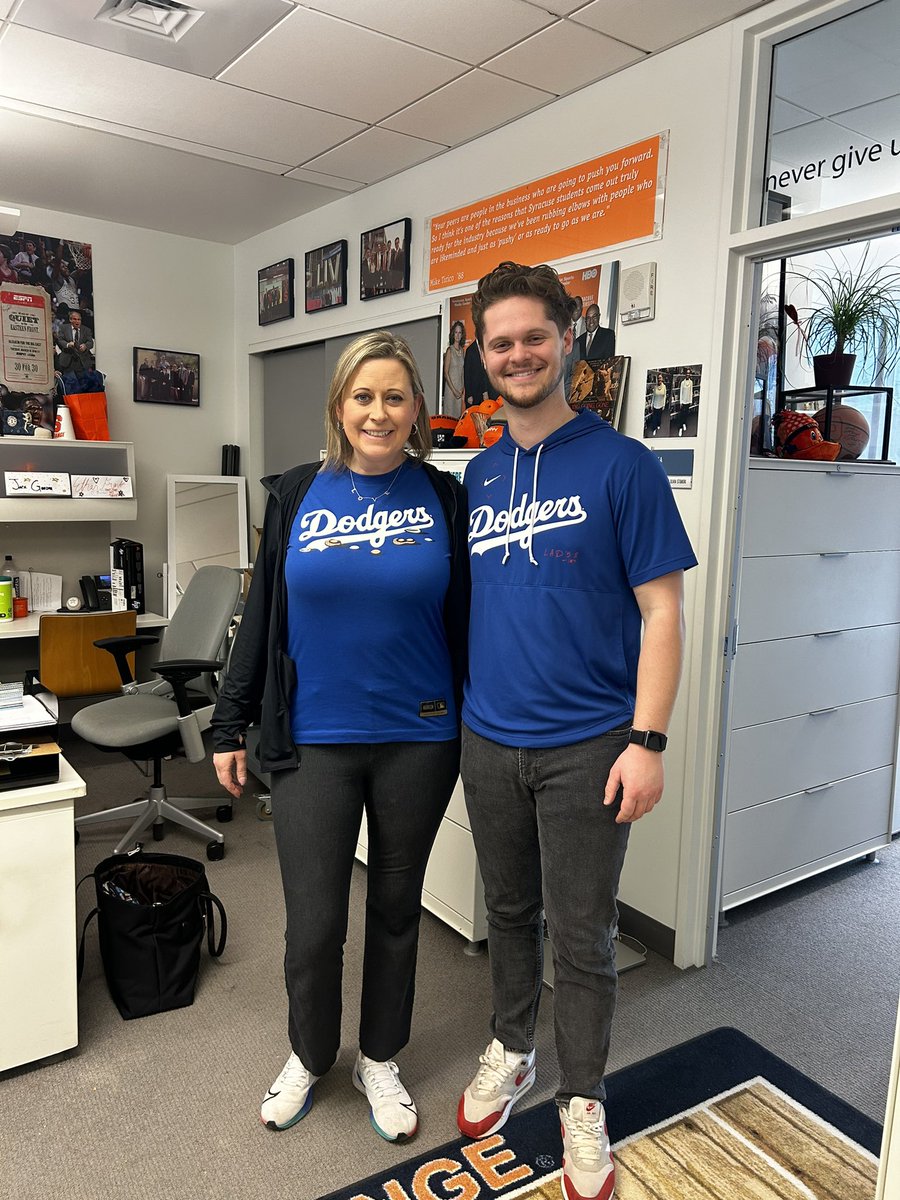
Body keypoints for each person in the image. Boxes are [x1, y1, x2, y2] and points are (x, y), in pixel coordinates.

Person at [456, 262, 696, 1200]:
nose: (518, 354)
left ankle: (582, 1098)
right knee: (510, 914)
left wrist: (650, 740)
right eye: (500, 341)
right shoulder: (476, 472)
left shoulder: (624, 466)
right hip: (488, 737)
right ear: (482, 354)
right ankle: (512, 1048)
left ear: (568, 339)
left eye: (533, 336)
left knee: (585, 936)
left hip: (592, 745)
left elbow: (664, 616)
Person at [210, 330, 469, 1144]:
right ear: (340, 406)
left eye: (395, 396)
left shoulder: (445, 498)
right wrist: (229, 717)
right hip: (312, 739)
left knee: (397, 909)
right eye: (364, 396)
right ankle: (310, 1053)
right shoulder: (295, 492)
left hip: (420, 737)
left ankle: (379, 1057)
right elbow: (260, 616)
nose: (379, 412)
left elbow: (473, 620)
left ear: (416, 409)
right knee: (314, 921)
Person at [442, 320, 466, 419]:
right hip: (450, 391)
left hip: (460, 391)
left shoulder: (463, 351)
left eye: (459, 332)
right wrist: (454, 390)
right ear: (453, 334)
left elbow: (463, 372)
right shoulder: (450, 350)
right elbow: (446, 373)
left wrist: (462, 389)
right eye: (456, 332)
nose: (457, 335)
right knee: (449, 419)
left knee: (458, 419)